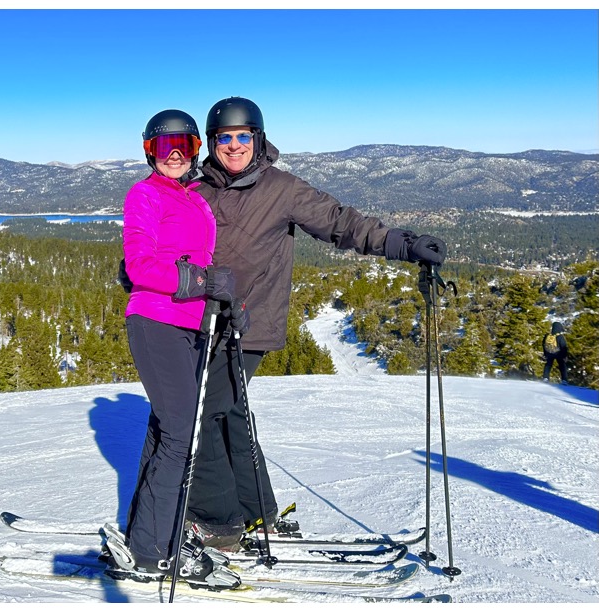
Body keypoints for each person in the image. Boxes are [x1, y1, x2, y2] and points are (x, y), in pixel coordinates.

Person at [179, 96, 448, 551]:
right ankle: (257, 513)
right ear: (211, 143)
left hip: (249, 323)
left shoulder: (282, 188)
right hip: (198, 321)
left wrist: (404, 245)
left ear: (258, 140)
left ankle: (216, 523)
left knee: (198, 415)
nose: (234, 145)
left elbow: (341, 223)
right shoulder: (195, 189)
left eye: (243, 136)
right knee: (231, 416)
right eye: (224, 137)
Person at [104, 109, 241, 588]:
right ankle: (152, 549)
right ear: (150, 152)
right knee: (180, 434)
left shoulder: (194, 197)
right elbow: (140, 267)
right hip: (155, 321)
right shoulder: (143, 194)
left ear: (197, 147)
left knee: (169, 432)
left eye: (184, 143)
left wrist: (220, 300)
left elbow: (195, 264)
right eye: (166, 146)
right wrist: (202, 281)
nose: (177, 153)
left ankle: (149, 532)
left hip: (190, 324)